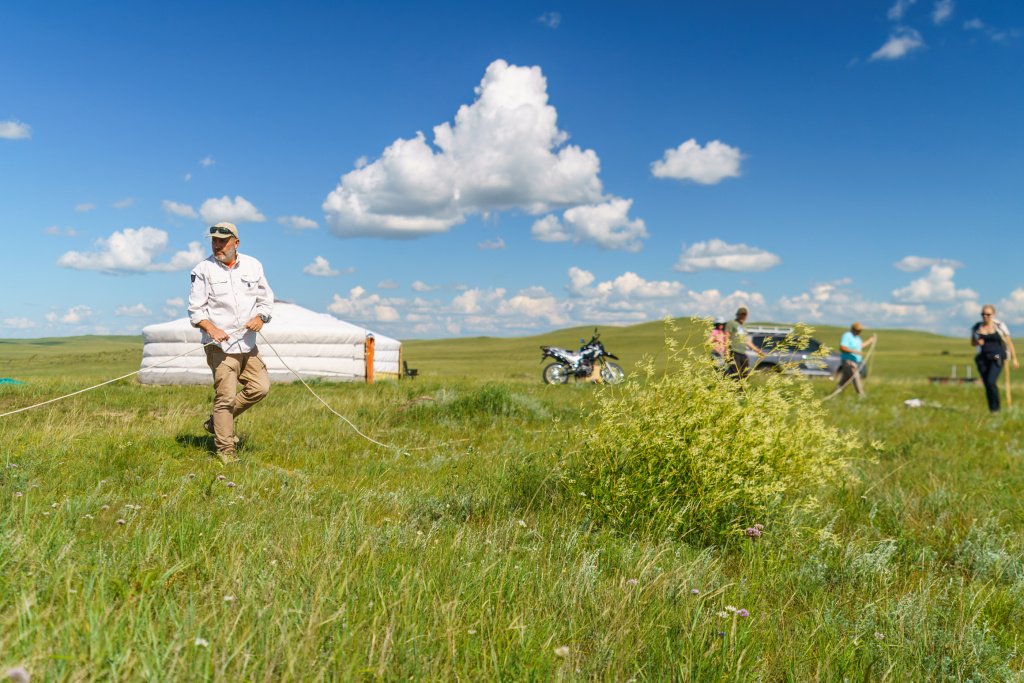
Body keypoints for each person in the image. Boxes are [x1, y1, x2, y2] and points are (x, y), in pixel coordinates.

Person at [188, 222, 274, 463]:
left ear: (236, 243)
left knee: (260, 388)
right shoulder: (202, 269)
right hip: (221, 347)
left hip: (248, 344)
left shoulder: (253, 265)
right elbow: (195, 310)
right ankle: (226, 451)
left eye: (222, 241)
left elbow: (266, 301)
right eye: (214, 241)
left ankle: (216, 422)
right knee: (224, 399)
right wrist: (211, 328)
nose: (217, 245)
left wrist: (261, 317)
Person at [971, 304, 1018, 413]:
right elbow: (972, 342)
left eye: (988, 314)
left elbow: (1008, 342)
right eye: (983, 314)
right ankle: (992, 409)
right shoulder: (977, 327)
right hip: (982, 359)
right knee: (987, 383)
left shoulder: (1000, 326)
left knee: (991, 381)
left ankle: (996, 408)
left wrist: (1014, 358)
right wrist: (977, 342)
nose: (985, 316)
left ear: (993, 314)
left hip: (998, 357)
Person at [837, 322, 876, 396]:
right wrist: (854, 352)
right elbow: (842, 348)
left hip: (855, 361)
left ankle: (836, 392)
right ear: (853, 329)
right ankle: (861, 394)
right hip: (848, 361)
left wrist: (870, 341)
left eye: (860, 330)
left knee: (846, 379)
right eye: (857, 330)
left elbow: (860, 346)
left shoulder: (857, 338)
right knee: (856, 376)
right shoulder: (847, 336)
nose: (859, 332)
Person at [723, 308, 763, 379]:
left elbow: (746, 340)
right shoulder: (731, 323)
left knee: (745, 372)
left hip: (742, 352)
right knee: (735, 373)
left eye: (744, 315)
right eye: (741, 314)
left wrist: (757, 350)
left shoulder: (743, 326)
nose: (742, 316)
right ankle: (735, 389)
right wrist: (727, 352)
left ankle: (742, 389)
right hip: (733, 351)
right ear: (737, 314)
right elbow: (726, 337)